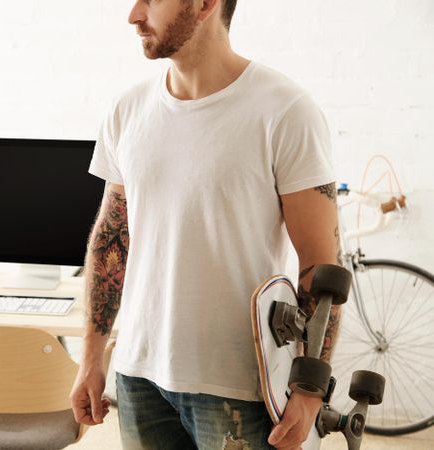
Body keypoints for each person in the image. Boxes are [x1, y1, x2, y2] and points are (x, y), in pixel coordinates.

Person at [69, 0, 342, 449]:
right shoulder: (127, 110)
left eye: (152, 1)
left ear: (203, 4)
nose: (134, 14)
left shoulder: (286, 110)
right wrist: (91, 357)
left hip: (241, 384)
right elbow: (111, 243)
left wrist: (311, 387)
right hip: (139, 375)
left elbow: (323, 265)